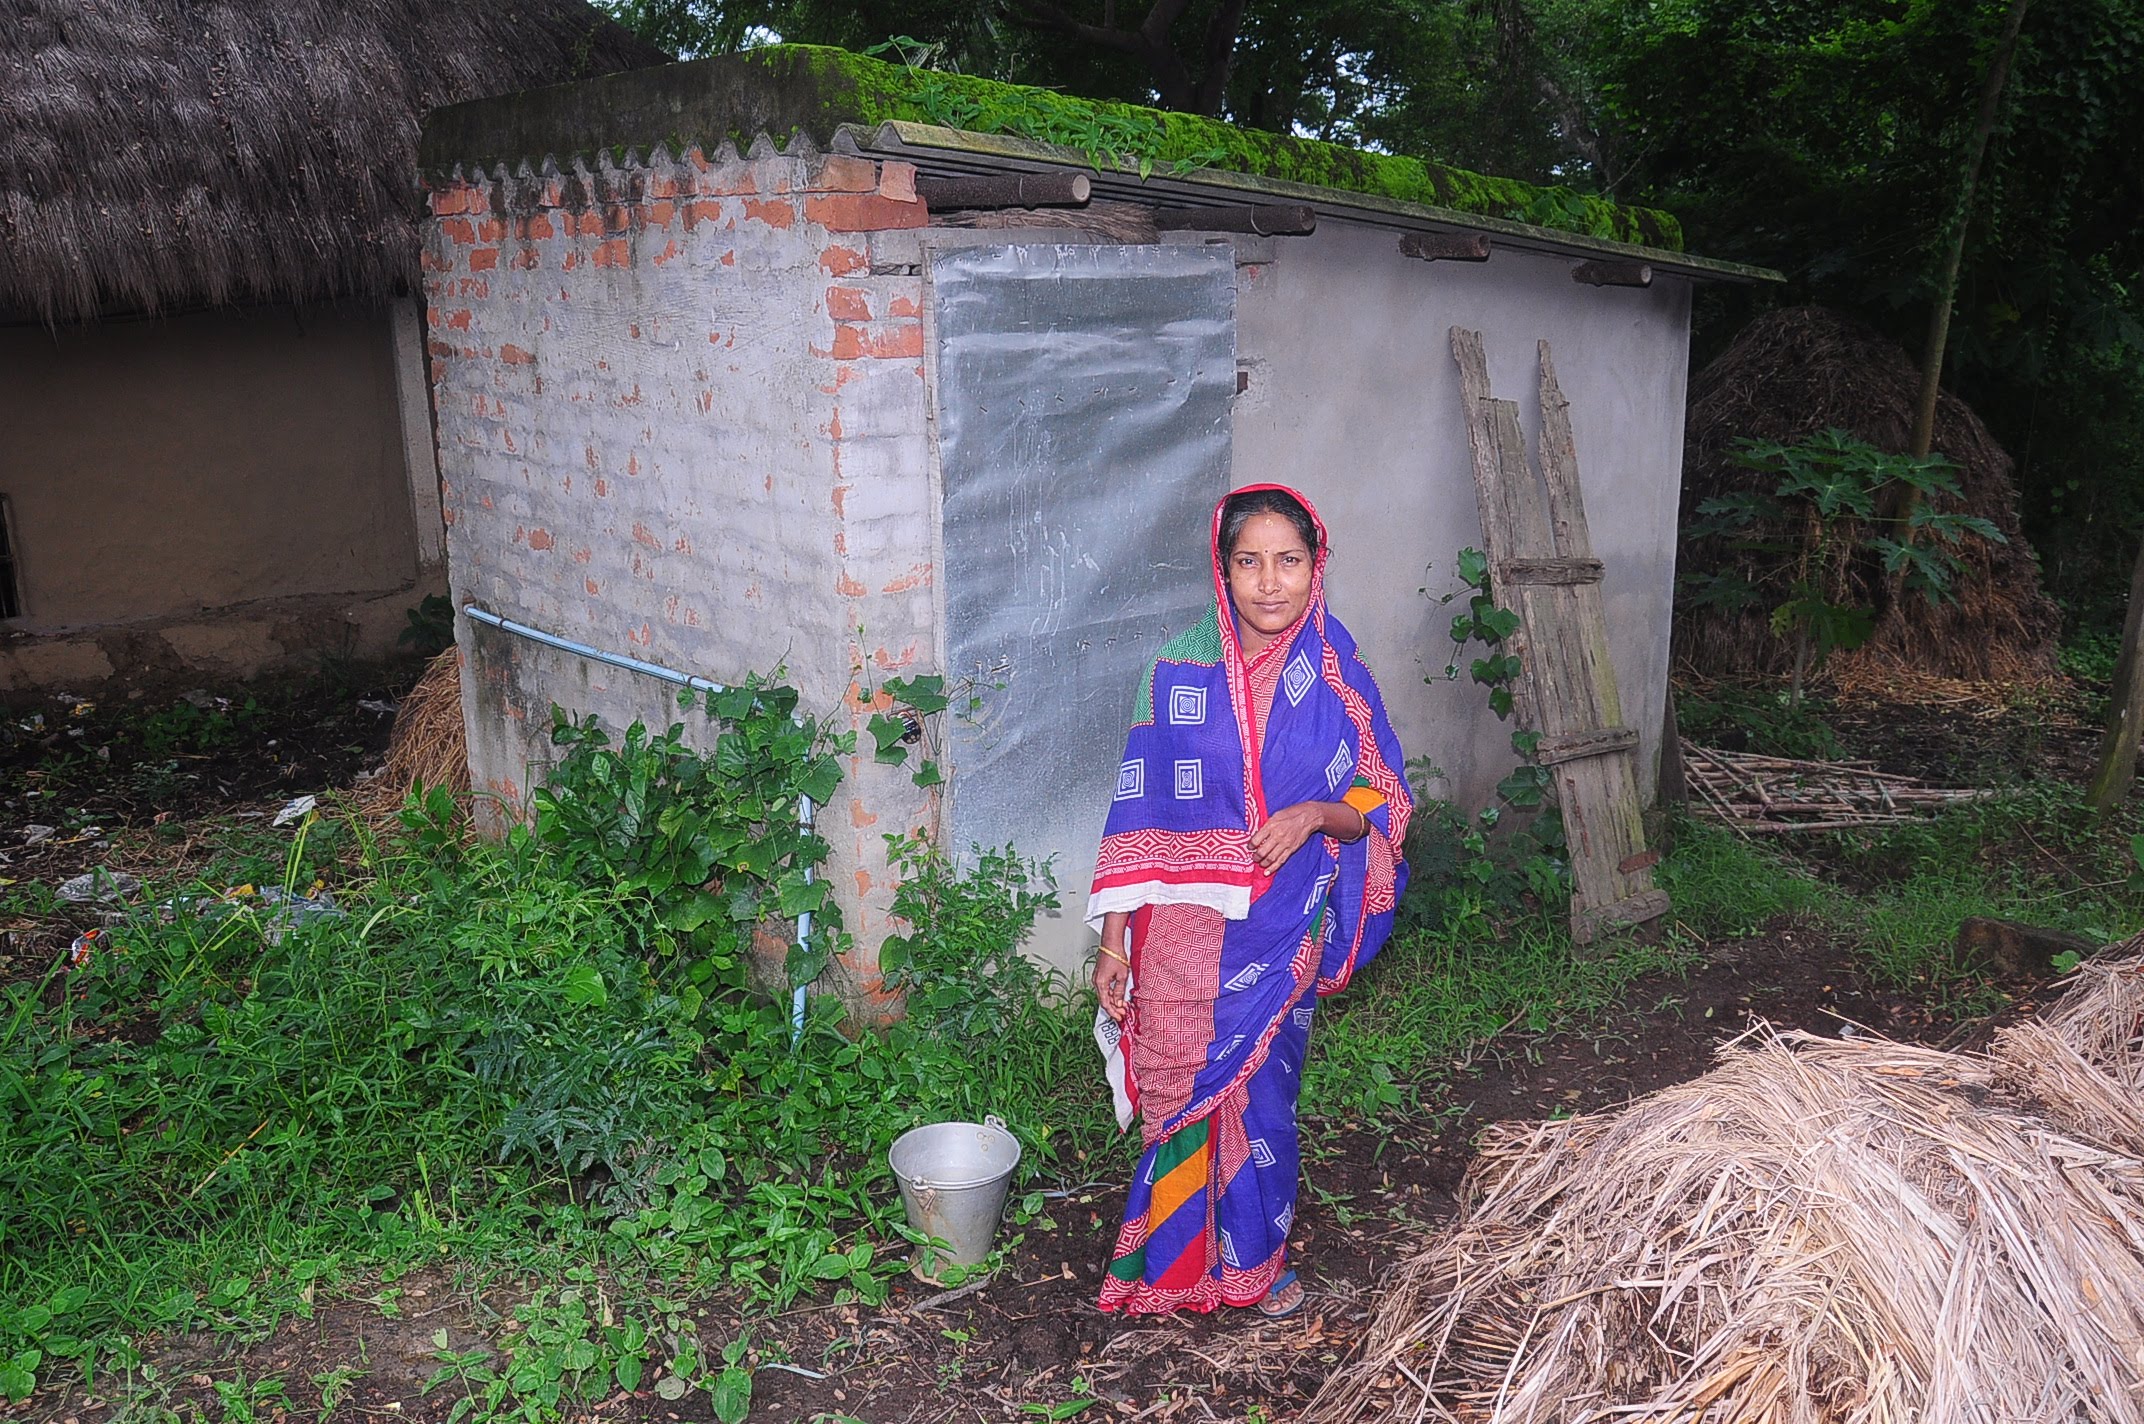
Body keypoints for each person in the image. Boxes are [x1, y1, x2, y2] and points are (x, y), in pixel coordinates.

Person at [1088, 484, 1411, 1318]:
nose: (1270, 583)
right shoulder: (1174, 673)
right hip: (1185, 935)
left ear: (1317, 565)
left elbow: (1384, 799)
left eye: (1289, 561)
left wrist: (1315, 818)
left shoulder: (1336, 667)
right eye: (1249, 562)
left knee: (1265, 1100)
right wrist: (1115, 942)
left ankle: (1251, 1266)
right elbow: (1139, 817)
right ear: (1221, 570)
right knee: (1187, 1091)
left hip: (1285, 924)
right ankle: (1171, 1266)